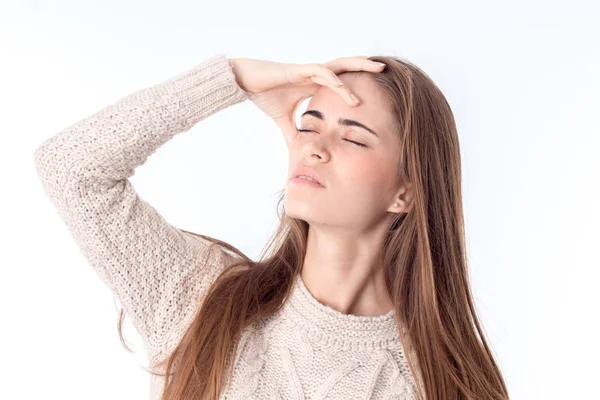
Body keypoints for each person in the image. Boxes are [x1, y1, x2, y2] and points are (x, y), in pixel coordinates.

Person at [34, 53, 509, 400]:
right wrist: (232, 80)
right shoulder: (202, 300)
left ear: (405, 191)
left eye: (352, 137)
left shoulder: (442, 386)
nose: (314, 147)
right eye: (310, 124)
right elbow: (71, 168)